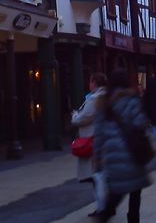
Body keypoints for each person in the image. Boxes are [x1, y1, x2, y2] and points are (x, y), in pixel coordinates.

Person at [94, 69, 153, 223]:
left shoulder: (103, 102)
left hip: (113, 155)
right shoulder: (132, 99)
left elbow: (99, 134)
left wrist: (97, 156)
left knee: (115, 192)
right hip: (133, 152)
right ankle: (133, 220)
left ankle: (104, 216)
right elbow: (140, 124)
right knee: (135, 193)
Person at [70, 72, 107, 216]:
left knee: (96, 175)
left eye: (91, 81)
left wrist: (74, 116)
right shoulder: (107, 96)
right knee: (101, 174)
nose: (89, 84)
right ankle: (105, 205)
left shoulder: (94, 100)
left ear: (94, 83)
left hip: (92, 139)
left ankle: (102, 206)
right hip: (104, 138)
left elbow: (84, 118)